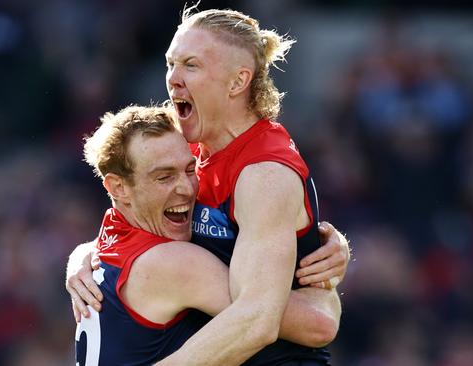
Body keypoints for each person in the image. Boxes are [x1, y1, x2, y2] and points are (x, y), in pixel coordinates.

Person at [68, 6, 351, 365]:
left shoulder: (264, 174)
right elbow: (134, 227)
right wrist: (83, 257)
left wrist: (326, 290)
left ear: (237, 82)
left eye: (191, 65)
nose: (172, 78)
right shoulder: (188, 150)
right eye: (171, 63)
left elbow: (265, 321)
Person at [75, 105, 341, 365]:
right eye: (164, 177)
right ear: (118, 187)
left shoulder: (106, 241)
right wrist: (325, 287)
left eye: (191, 170)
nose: (186, 189)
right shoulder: (175, 263)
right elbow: (317, 324)